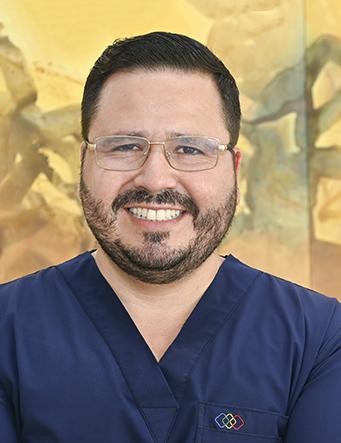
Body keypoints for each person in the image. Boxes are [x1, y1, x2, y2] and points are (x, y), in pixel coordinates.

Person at [0, 31, 340, 443]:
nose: (156, 178)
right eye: (124, 146)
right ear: (84, 161)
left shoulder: (319, 338)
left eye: (190, 149)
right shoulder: (8, 329)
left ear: (234, 168)